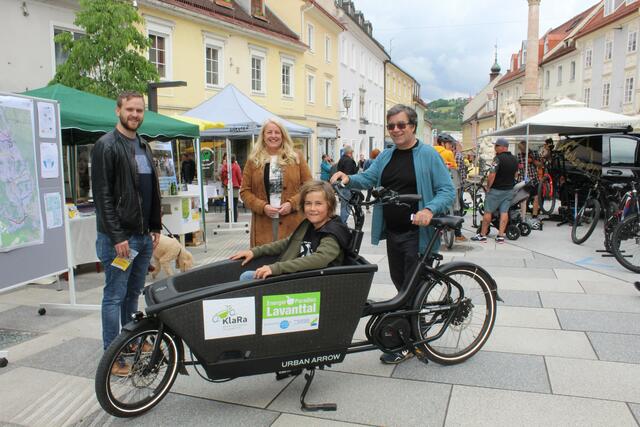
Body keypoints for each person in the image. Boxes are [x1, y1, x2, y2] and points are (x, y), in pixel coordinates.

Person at [331, 104, 455, 364]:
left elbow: (447, 191)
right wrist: (347, 178)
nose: (396, 130)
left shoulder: (429, 155)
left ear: (412, 126)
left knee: (410, 290)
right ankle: (412, 330)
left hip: (418, 233)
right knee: (402, 286)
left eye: (401, 125)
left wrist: (430, 210)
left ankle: (409, 342)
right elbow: (368, 178)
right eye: (391, 126)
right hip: (394, 232)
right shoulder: (386, 156)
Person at [91, 91, 161, 375]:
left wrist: (155, 226)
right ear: (118, 110)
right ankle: (112, 357)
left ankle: (129, 342)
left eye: (139, 110)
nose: (135, 115)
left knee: (133, 294)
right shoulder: (106, 145)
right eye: (130, 109)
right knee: (114, 296)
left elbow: (150, 191)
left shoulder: (143, 145)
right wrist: (117, 235)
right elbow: (103, 197)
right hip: (119, 238)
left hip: (143, 237)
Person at [231, 180, 350, 279]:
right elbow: (288, 242)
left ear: (329, 205)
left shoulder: (332, 233)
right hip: (295, 277)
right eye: (308, 203)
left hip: (311, 284)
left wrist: (276, 268)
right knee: (245, 274)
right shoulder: (309, 225)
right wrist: (254, 251)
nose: (312, 208)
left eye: (318, 204)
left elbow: (319, 259)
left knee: (246, 277)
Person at [240, 119, 312, 247]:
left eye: (277, 132)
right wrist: (262, 207)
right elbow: (245, 191)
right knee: (264, 261)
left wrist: (292, 204)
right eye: (269, 132)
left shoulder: (296, 157)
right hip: (263, 224)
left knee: (290, 260)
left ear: (283, 135)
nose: (273, 136)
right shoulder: (253, 160)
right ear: (263, 136)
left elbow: (309, 187)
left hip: (292, 221)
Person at [471, 138, 518, 243]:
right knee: (504, 212)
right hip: (509, 190)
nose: (494, 148)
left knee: (488, 212)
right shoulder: (515, 159)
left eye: (496, 146)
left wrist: (488, 187)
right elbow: (516, 174)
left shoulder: (497, 159)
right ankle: (501, 236)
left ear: (502, 147)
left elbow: (492, 175)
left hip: (496, 190)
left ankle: (483, 235)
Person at [517, 140, 540, 218]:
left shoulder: (534, 153)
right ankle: (523, 216)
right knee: (523, 198)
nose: (522, 151)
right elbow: (517, 168)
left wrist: (533, 160)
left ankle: (535, 215)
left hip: (534, 179)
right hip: (523, 180)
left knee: (536, 197)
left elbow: (540, 165)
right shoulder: (518, 156)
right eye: (520, 149)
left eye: (523, 149)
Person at [337, 145, 358, 224]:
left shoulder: (341, 159)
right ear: (350, 152)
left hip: (342, 184)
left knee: (344, 205)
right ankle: (343, 223)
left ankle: (343, 222)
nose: (352, 153)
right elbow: (349, 174)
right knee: (346, 206)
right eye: (352, 152)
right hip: (347, 185)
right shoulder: (349, 161)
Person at [221, 154, 243, 222]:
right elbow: (239, 177)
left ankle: (227, 219)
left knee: (228, 204)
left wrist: (224, 182)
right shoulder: (237, 167)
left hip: (227, 186)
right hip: (235, 187)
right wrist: (240, 184)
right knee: (234, 204)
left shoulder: (225, 166)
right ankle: (234, 219)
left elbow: (222, 176)